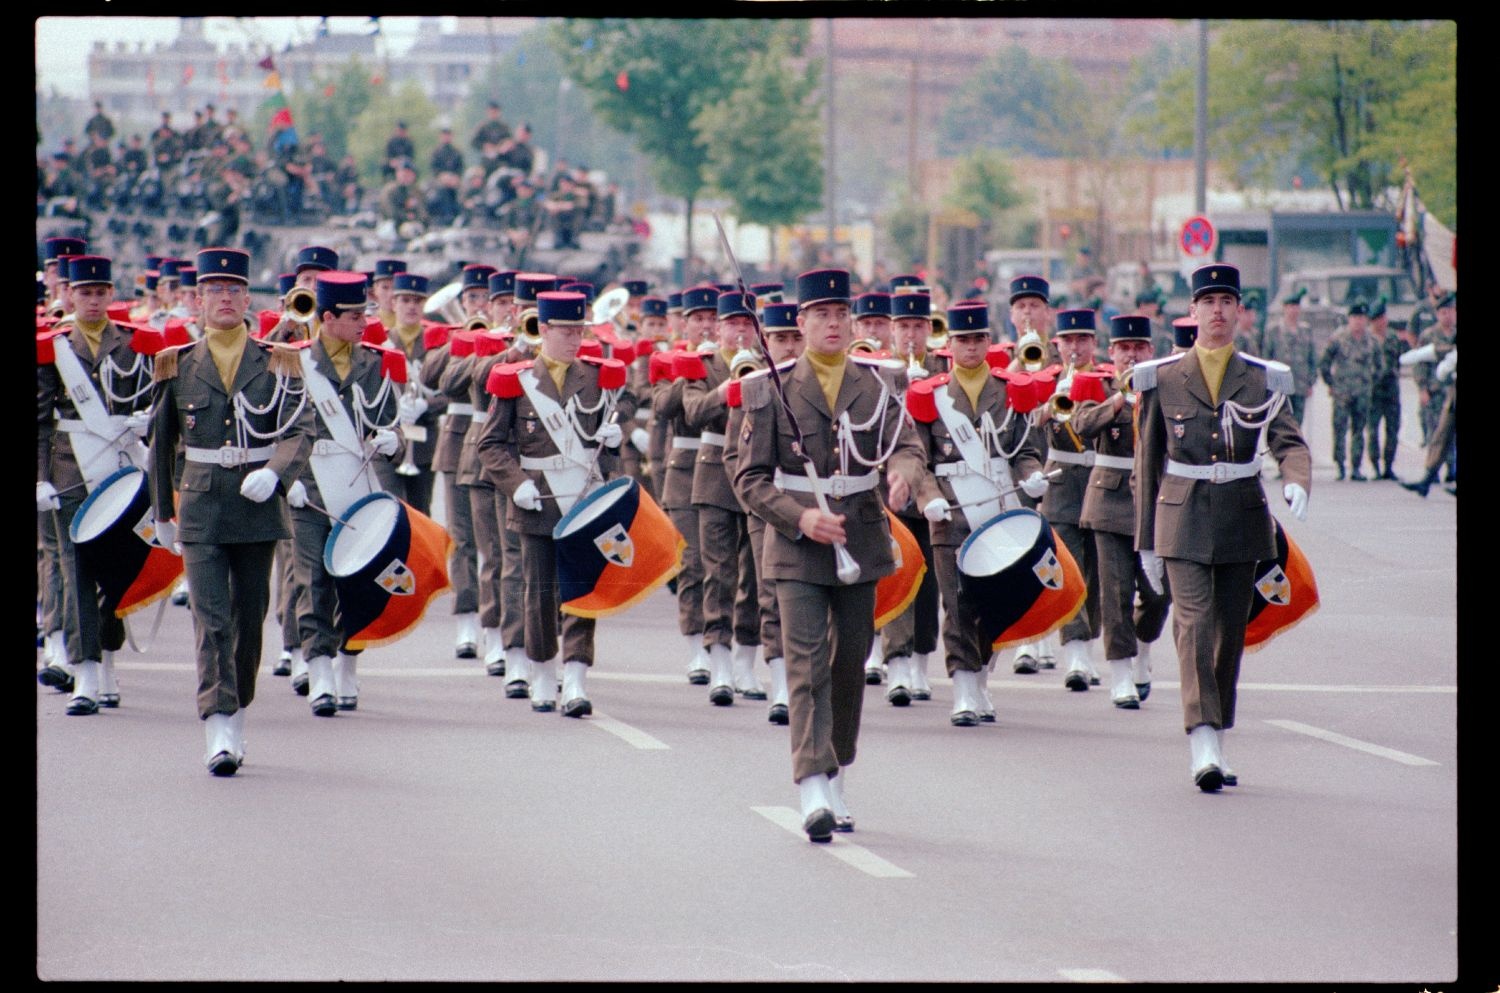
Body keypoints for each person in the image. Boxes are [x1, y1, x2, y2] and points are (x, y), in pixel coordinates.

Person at [732, 268, 936, 841]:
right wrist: (799, 516)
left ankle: (837, 765)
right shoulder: (769, 390)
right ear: (800, 324)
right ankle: (811, 784)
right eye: (820, 314)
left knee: (850, 663)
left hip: (861, 539)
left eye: (840, 314)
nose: (833, 323)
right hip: (797, 545)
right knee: (804, 662)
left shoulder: (877, 386)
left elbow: (906, 445)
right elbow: (748, 479)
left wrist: (901, 476)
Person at [1133, 263, 1311, 792]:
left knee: (1229, 631)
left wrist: (1297, 478)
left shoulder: (1260, 377)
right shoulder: (1162, 378)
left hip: (1241, 515)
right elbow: (1148, 464)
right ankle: (1202, 737)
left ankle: (1218, 731)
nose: (1216, 310)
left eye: (1225, 301)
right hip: (1181, 517)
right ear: (1192, 312)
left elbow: (1289, 440)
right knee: (1193, 624)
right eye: (1207, 301)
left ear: (1238, 312)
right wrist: (1146, 542)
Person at [147, 247, 315, 776]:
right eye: (214, 290)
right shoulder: (176, 363)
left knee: (250, 617)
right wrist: (162, 514)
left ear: (247, 298)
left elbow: (299, 428)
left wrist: (278, 473)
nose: (224, 298)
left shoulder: (277, 360)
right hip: (199, 505)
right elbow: (161, 444)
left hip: (256, 505)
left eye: (233, 290)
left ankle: (237, 707)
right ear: (198, 300)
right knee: (211, 618)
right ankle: (217, 723)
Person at [476, 290, 633, 717]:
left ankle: (577, 678)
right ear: (543, 330)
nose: (574, 338)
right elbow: (489, 444)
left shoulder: (597, 377)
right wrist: (515, 484)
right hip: (538, 500)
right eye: (565, 331)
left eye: (579, 330)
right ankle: (542, 671)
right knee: (540, 592)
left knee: (583, 589)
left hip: (585, 496)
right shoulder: (515, 378)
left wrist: (616, 442)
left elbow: (609, 435)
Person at [908, 303, 1046, 726]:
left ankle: (982, 675)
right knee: (958, 603)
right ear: (948, 346)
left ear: (989, 342)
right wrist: (925, 495)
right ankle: (964, 686)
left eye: (978, 339)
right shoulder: (929, 397)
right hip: (950, 513)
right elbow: (918, 459)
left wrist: (1035, 475)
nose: (970, 347)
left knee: (994, 603)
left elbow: (1025, 449)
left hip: (999, 512)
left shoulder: (1009, 391)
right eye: (962, 340)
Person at [36, 255, 154, 716]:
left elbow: (150, 400)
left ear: (110, 295)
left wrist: (147, 420)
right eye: (84, 292)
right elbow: (41, 421)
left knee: (117, 568)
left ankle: (106, 656)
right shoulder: (54, 346)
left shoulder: (133, 343)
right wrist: (41, 479)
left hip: (119, 466)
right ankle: (84, 671)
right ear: (72, 295)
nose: (92, 300)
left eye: (100, 292)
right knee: (77, 567)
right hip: (70, 470)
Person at [284, 271, 401, 717]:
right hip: (311, 485)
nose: (363, 323)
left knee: (356, 580)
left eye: (365, 314)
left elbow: (389, 421)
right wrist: (286, 477)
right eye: (354, 316)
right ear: (327, 317)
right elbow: (279, 427)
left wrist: (395, 441)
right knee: (311, 580)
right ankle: (319, 671)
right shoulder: (293, 363)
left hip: (359, 486)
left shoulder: (374, 362)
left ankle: (349, 663)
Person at [1070, 315, 1171, 709]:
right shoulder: (1094, 384)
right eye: (1124, 349)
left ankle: (1143, 650)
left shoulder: (1164, 384)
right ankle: (1121, 674)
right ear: (1111, 353)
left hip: (1154, 501)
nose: (1131, 355)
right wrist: (1117, 402)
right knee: (1114, 592)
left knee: (1159, 593)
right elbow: (1080, 425)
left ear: (1150, 351)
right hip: (1109, 501)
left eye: (1138, 348)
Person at [723, 301, 804, 723]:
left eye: (795, 337)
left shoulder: (822, 382)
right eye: (779, 339)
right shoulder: (755, 387)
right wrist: (757, 506)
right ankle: (780, 683)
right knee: (771, 595)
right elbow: (734, 456)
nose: (788, 347)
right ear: (764, 342)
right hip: (768, 509)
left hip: (820, 506)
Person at [681, 290, 764, 705]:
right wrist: (728, 389)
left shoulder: (770, 365)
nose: (741, 331)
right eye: (734, 323)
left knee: (755, 576)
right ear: (720, 328)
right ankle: (719, 662)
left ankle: (748, 661)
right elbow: (692, 410)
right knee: (719, 572)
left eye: (748, 324)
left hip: (759, 477)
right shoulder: (705, 365)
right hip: (714, 476)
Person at [1037, 309, 1104, 691]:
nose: (1076, 348)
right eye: (1068, 341)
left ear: (1094, 343)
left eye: (1083, 340)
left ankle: (1088, 643)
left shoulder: (1108, 379)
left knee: (1098, 573)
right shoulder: (1044, 379)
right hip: (1061, 484)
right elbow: (1028, 423)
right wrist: (1050, 404)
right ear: (1056, 345)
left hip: (1099, 482)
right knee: (1072, 569)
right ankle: (1075, 651)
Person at [654, 286, 718, 684]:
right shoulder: (669, 360)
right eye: (698, 319)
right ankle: (696, 645)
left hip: (722, 469)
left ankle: (722, 643)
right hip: (685, 470)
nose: (706, 325)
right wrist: (687, 371)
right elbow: (661, 407)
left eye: (713, 319)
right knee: (692, 563)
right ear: (685, 323)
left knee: (723, 566)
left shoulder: (733, 361)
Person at [1318, 300, 1379, 481]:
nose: (1358, 321)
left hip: (1362, 393)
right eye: (1355, 317)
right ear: (1349, 319)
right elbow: (1324, 362)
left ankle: (1356, 467)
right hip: (1342, 392)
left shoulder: (1372, 340)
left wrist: (1369, 383)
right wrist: (1331, 383)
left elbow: (1380, 365)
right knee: (1340, 429)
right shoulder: (1338, 338)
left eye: (1362, 318)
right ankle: (1340, 465)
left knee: (1359, 431)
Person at [1260, 289, 1318, 426]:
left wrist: (1311, 382)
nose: (1294, 310)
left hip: (1300, 385)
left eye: (1296, 307)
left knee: (1297, 424)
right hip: (1280, 388)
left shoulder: (1306, 330)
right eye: (1290, 307)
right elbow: (1266, 358)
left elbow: (1312, 359)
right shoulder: (1273, 330)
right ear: (1284, 308)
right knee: (1280, 424)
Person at [1365, 297, 1407, 480]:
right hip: (1373, 391)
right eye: (1377, 319)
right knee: (1372, 430)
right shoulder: (1367, 339)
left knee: (1392, 429)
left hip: (1391, 390)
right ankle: (1375, 466)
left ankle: (1388, 466)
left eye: (1383, 318)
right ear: (1372, 321)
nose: (1381, 322)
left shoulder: (1392, 337)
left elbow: (1399, 360)